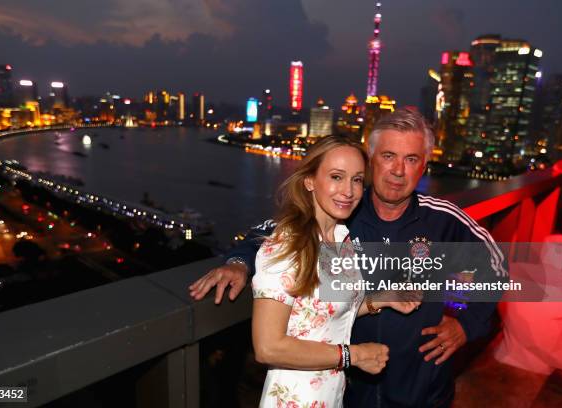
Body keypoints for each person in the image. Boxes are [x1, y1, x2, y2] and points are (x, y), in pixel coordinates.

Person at [189, 108, 506, 407]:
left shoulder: (443, 221)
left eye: (411, 159)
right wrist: (239, 263)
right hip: (347, 391)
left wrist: (466, 324)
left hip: (421, 394)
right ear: (372, 160)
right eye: (388, 156)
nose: (398, 170)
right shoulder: (342, 213)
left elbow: (498, 269)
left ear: (424, 165)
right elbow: (272, 232)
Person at [250, 135, 420, 407]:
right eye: (336, 177)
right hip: (296, 399)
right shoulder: (287, 246)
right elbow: (268, 347)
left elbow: (326, 312)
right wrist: (355, 355)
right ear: (309, 181)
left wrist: (383, 298)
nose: (349, 191)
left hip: (332, 394)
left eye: (356, 179)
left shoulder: (340, 239)